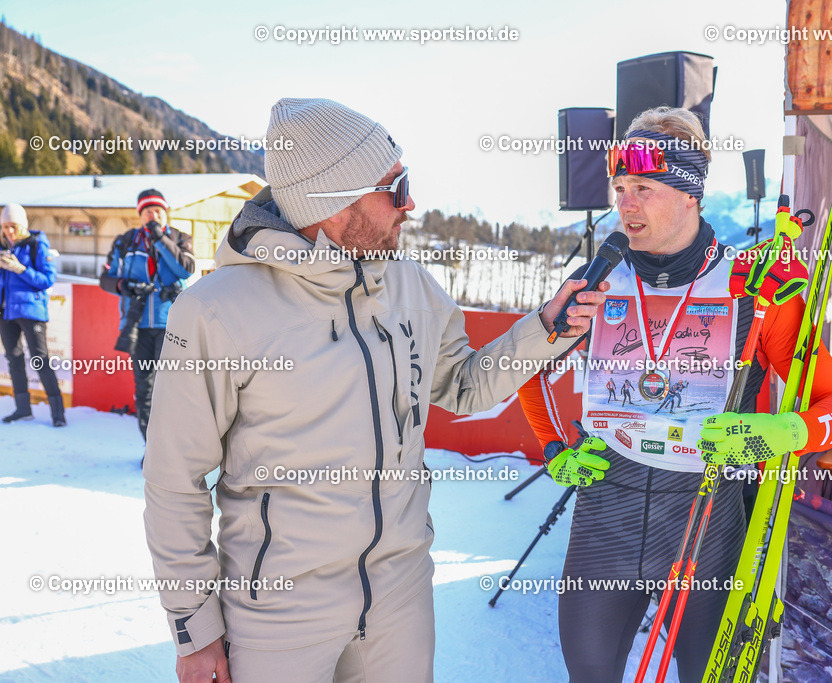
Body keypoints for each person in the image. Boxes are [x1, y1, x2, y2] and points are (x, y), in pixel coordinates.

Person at [142, 98, 607, 683]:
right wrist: (194, 627)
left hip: (400, 598)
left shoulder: (413, 286)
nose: (411, 204)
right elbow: (174, 478)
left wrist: (545, 329)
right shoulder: (215, 312)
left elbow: (463, 385)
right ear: (332, 202)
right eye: (396, 187)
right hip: (278, 614)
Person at [516, 106, 832, 682]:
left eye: (644, 189)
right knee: (589, 672)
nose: (625, 205)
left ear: (689, 195)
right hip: (605, 518)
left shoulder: (755, 288)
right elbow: (525, 369)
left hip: (707, 522)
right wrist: (554, 450)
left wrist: (784, 432)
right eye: (620, 188)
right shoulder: (598, 280)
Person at [99, 189, 194, 445]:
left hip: (171, 325)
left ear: (166, 213)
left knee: (171, 387)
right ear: (140, 215)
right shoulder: (126, 241)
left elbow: (186, 269)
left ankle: (173, 446)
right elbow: (105, 278)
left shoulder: (179, 238)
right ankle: (151, 447)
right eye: (148, 212)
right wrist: (123, 286)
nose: (154, 216)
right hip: (137, 325)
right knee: (144, 388)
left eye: (158, 211)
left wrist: (160, 239)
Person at [0, 203, 65, 426]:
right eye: (5, 226)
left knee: (40, 360)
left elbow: (47, 280)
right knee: (14, 359)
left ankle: (58, 413)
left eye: (13, 226)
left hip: (31, 311)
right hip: (6, 312)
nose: (9, 231)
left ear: (22, 225)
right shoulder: (2, 246)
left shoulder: (37, 244)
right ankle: (23, 409)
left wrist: (20, 268)